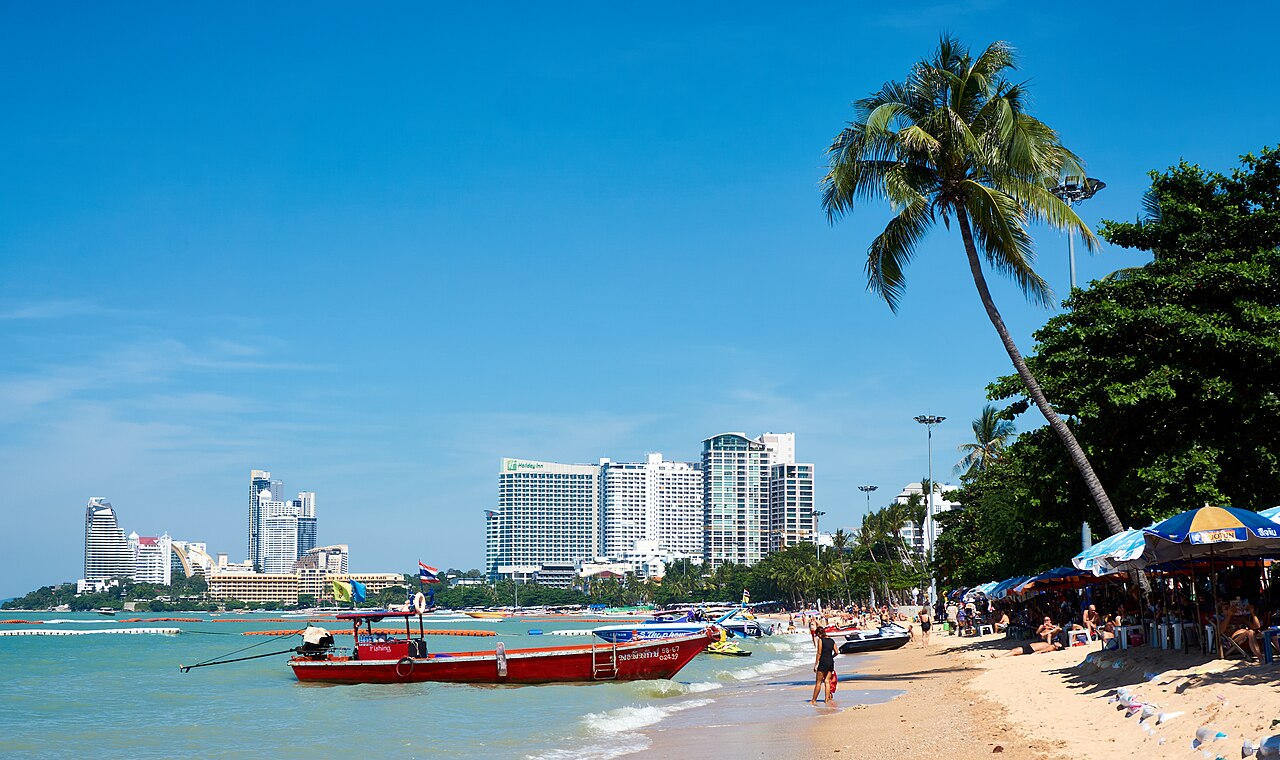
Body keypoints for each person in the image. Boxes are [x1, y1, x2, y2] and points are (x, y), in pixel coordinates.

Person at [809, 626, 837, 704]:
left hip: (823, 662)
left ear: (818, 633)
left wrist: (816, 664)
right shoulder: (831, 640)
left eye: (817, 635)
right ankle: (826, 700)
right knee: (827, 681)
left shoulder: (820, 640)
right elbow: (837, 652)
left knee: (818, 682)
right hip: (831, 662)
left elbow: (819, 652)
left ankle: (813, 700)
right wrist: (831, 657)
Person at [990, 641, 1064, 658]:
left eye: (1059, 644)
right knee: (1014, 650)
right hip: (1030, 647)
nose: (1058, 642)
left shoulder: (1051, 647)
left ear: (1057, 647)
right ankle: (1000, 655)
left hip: (1031, 649)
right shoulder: (1050, 644)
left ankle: (999, 656)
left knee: (1014, 651)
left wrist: (1037, 653)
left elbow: (1045, 650)